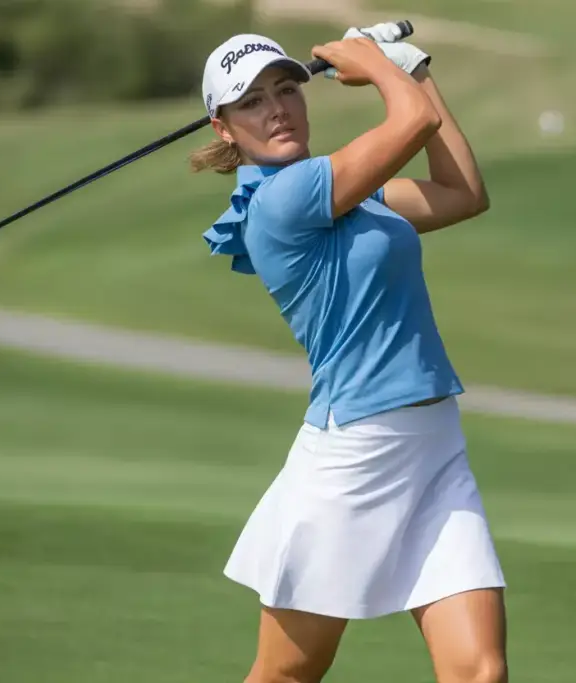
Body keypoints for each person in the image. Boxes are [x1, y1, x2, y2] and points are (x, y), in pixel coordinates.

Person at [193, 23, 508, 683]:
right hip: (356, 454)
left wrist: (413, 67)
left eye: (286, 89)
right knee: (287, 672)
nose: (277, 107)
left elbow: (462, 193)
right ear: (224, 129)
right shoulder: (284, 198)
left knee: (479, 671)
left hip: (434, 445)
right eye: (251, 101)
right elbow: (413, 121)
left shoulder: (346, 191)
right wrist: (380, 66)